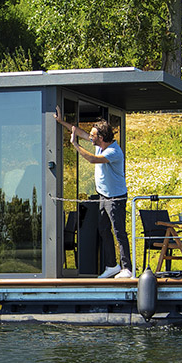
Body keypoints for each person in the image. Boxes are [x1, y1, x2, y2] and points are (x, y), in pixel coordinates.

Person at [55, 108, 134, 278]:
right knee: (103, 229)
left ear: (101, 138)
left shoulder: (113, 151)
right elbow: (79, 131)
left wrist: (75, 144)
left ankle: (127, 268)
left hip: (116, 198)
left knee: (119, 232)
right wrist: (61, 122)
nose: (90, 137)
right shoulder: (99, 145)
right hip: (104, 196)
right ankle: (112, 265)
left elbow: (92, 160)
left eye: (93, 135)